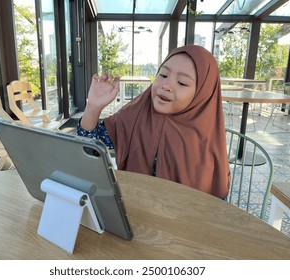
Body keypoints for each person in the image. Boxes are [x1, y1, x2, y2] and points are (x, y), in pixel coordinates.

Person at [77, 45, 230, 199]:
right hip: (133, 208)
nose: (166, 85)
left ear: (202, 93)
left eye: (182, 83)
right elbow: (90, 143)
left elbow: (215, 202)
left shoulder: (207, 138)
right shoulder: (137, 112)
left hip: (181, 220)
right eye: (163, 75)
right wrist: (93, 106)